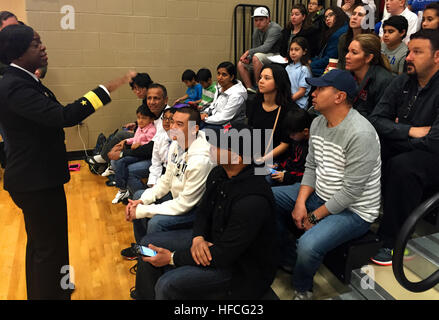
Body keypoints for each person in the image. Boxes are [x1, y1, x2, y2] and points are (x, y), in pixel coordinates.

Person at [0, 24, 135, 299]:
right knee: (49, 248)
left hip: (37, 176)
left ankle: (47, 290)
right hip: (35, 179)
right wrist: (105, 90)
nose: (43, 47)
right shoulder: (15, 86)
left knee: (42, 246)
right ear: (19, 52)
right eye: (36, 44)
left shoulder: (23, 79)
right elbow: (63, 116)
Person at [130, 123, 279, 300]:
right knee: (146, 246)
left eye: (219, 146)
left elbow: (226, 255)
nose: (211, 147)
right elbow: (203, 212)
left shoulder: (253, 200)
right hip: (211, 241)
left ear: (239, 158)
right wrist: (198, 237)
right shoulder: (218, 172)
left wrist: (172, 258)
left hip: (240, 267)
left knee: (167, 284)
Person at [272, 69, 381, 300]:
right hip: (320, 193)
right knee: (264, 198)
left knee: (308, 246)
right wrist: (301, 202)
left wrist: (314, 216)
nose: (313, 93)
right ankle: (289, 258)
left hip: (354, 210)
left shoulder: (361, 133)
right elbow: (311, 166)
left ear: (339, 97)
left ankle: (303, 289)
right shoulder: (318, 123)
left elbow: (351, 193)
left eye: (321, 89)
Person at [369, 29, 439, 266]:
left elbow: (434, 141)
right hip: (408, 144)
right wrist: (409, 130)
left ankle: (391, 241)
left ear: (437, 57)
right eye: (409, 51)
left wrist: (397, 130)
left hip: (433, 156)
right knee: (369, 147)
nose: (408, 57)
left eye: (417, 52)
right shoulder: (401, 81)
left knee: (403, 166)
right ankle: (360, 216)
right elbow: (376, 119)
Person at [120, 106, 214, 259]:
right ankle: (142, 250)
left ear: (194, 129)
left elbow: (185, 204)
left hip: (195, 209)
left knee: (156, 222)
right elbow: (166, 180)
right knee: (139, 195)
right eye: (172, 123)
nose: (173, 128)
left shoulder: (201, 160)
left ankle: (153, 257)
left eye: (179, 124)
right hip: (178, 197)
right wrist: (143, 201)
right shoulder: (177, 144)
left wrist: (143, 211)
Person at [108, 83, 171, 193]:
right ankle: (131, 192)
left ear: (165, 100)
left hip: (162, 161)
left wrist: (123, 153)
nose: (151, 102)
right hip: (152, 154)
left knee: (127, 170)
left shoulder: (167, 118)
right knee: (115, 162)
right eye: (149, 98)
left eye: (156, 98)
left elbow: (150, 148)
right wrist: (125, 143)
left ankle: (142, 199)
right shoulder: (155, 114)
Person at [86, 72, 153, 167]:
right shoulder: (145, 100)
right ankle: (110, 162)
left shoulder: (151, 103)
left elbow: (152, 125)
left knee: (121, 135)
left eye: (140, 89)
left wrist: (137, 130)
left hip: (146, 138)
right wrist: (135, 124)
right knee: (121, 133)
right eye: (135, 89)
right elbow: (147, 119)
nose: (137, 92)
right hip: (142, 132)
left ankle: (104, 158)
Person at [111, 105, 157, 204]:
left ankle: (122, 188)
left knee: (122, 161)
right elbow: (134, 139)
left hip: (142, 155)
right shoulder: (140, 128)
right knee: (116, 160)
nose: (140, 121)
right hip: (136, 152)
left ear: (151, 119)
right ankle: (126, 189)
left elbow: (151, 145)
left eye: (144, 118)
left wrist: (140, 144)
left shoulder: (152, 130)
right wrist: (126, 141)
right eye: (138, 118)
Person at [345, 33, 394, 118]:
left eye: (354, 52)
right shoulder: (347, 74)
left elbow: (379, 119)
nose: (347, 56)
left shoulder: (384, 81)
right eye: (348, 51)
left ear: (368, 58)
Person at [237, 7, 282, 93]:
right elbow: (256, 48)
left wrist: (248, 52)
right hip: (263, 55)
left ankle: (258, 85)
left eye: (261, 19)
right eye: (256, 20)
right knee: (241, 64)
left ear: (268, 19)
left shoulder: (275, 28)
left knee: (256, 57)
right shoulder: (256, 31)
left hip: (276, 55)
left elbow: (266, 47)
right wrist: (248, 58)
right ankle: (250, 88)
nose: (258, 22)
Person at [268, 109, 313, 186]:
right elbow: (291, 160)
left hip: (296, 179)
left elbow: (307, 175)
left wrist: (287, 177)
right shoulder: (297, 140)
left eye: (293, 134)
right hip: (286, 172)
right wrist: (278, 165)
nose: (290, 137)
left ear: (305, 131)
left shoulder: (310, 148)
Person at [200, 62, 247, 130]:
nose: (220, 77)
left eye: (224, 75)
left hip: (230, 125)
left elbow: (224, 117)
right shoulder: (220, 87)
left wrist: (205, 118)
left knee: (204, 131)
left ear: (231, 77)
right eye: (218, 73)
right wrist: (205, 112)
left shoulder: (236, 95)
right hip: (215, 118)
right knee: (193, 124)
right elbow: (213, 105)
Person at [311, 6, 349, 77]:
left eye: (331, 15)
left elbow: (329, 59)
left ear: (339, 15)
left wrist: (310, 64)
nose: (327, 19)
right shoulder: (342, 28)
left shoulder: (338, 33)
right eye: (325, 17)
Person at [337, 3, 374, 69]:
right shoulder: (343, 38)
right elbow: (341, 62)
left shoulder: (372, 41)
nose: (354, 17)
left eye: (360, 15)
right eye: (353, 14)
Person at [146, 108, 175, 188]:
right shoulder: (159, 138)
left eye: (171, 118)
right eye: (164, 118)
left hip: (174, 176)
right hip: (163, 170)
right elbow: (156, 163)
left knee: (138, 195)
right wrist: (153, 182)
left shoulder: (181, 141)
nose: (166, 121)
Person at [285, 37, 313, 109]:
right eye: (291, 50)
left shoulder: (304, 69)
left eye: (297, 50)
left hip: (299, 105)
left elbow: (302, 92)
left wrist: (288, 101)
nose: (293, 52)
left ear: (304, 52)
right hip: (288, 101)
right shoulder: (288, 67)